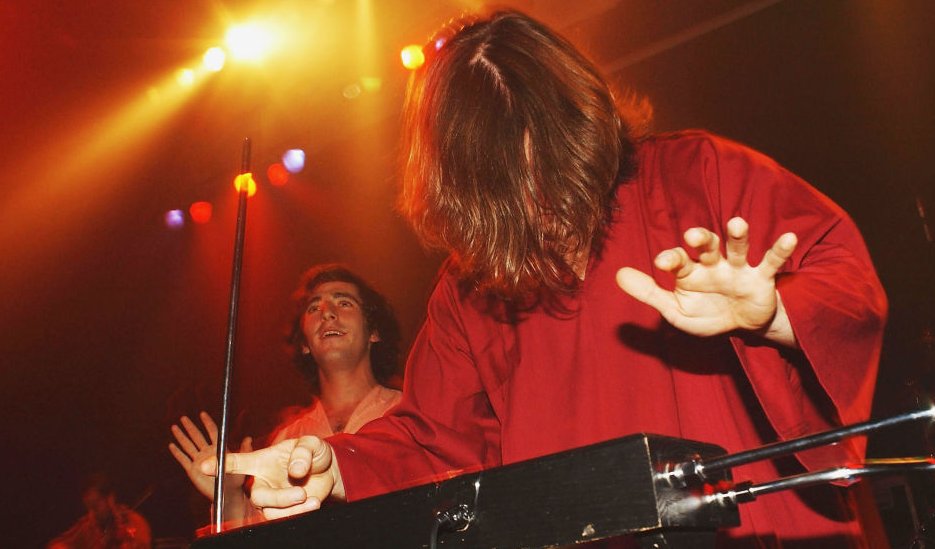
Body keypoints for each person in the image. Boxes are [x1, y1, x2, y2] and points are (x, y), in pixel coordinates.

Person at [209, 10, 887, 547]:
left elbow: (843, 277)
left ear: (582, 127)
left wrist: (775, 314)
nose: (535, 198)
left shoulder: (696, 175)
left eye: (550, 164)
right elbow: (432, 439)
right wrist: (336, 467)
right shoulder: (467, 289)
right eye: (502, 188)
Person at [169, 264, 402, 530]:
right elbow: (264, 537)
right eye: (314, 308)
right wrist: (229, 494)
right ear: (304, 344)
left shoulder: (409, 414)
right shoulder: (287, 438)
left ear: (374, 332)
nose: (327, 313)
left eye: (344, 303)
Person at [48, 473, 152, 549]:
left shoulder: (134, 522)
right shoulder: (88, 526)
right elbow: (56, 545)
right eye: (88, 508)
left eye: (95, 506)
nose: (91, 513)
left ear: (110, 499)